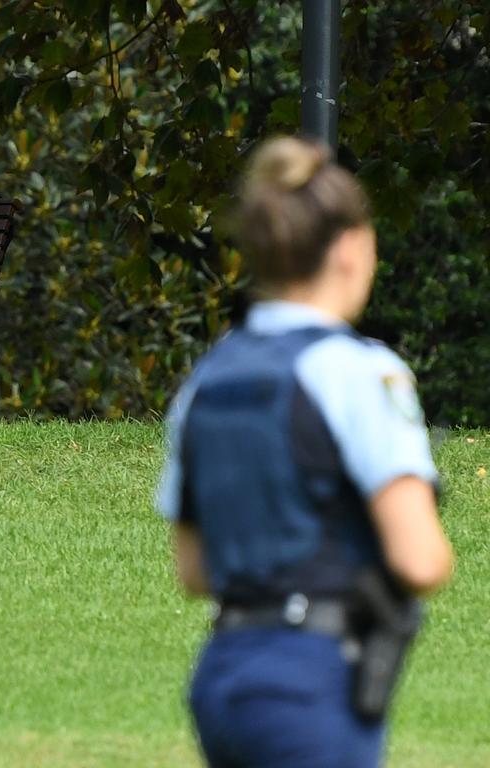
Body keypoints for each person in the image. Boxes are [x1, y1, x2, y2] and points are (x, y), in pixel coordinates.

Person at [156, 137, 453, 767]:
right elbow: (421, 559)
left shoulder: (207, 380)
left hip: (223, 676)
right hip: (312, 683)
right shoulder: (360, 373)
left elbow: (196, 571)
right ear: (349, 247)